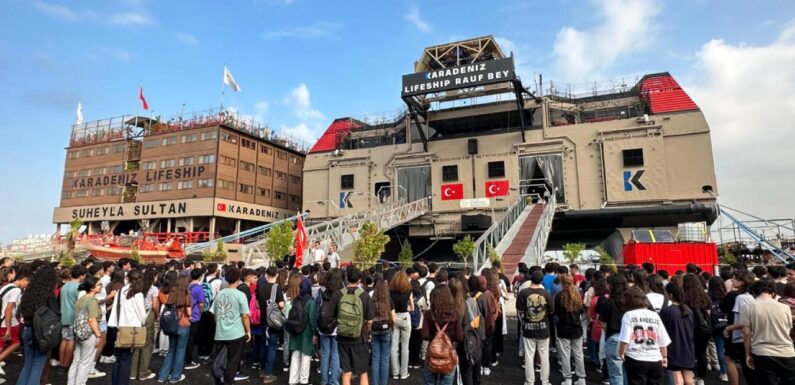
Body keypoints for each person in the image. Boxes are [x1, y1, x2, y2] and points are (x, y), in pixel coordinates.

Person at [741, 280, 795, 384]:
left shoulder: (747, 307)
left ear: (754, 293)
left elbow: (746, 333)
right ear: (773, 292)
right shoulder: (785, 307)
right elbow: (788, 329)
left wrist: (747, 354)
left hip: (762, 352)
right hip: (786, 352)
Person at [617, 287, 671, 385]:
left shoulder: (628, 315)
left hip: (635, 357)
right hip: (655, 358)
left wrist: (621, 353)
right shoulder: (654, 315)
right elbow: (663, 339)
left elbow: (625, 339)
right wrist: (664, 356)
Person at [17, 267, 59, 385]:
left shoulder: (28, 293)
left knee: (27, 365)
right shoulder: (48, 295)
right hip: (41, 333)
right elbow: (56, 314)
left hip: (27, 330)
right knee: (37, 366)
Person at [210, 267, 251, 385]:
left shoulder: (219, 294)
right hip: (236, 333)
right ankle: (228, 381)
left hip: (220, 333)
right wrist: (248, 331)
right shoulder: (240, 295)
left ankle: (219, 381)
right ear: (239, 278)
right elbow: (245, 315)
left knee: (219, 360)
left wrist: (219, 325)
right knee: (232, 361)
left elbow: (215, 314)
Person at [108, 269, 146, 385]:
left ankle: (115, 382)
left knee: (118, 359)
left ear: (127, 278)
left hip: (119, 327)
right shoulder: (138, 294)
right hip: (131, 330)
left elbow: (115, 310)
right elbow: (142, 315)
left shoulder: (120, 291)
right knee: (126, 360)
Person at [337, 267, 375, 385]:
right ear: (359, 280)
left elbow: (330, 316)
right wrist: (367, 332)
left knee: (346, 371)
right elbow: (370, 320)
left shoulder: (339, 294)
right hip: (360, 337)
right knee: (363, 372)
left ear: (346, 278)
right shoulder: (364, 296)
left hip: (343, 337)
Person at [421, 285, 463, 385]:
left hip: (432, 355)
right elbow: (460, 337)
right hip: (448, 356)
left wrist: (435, 336)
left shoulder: (429, 314)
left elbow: (424, 335)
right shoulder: (454, 314)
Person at [516, 270, 551, 385]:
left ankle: (530, 381)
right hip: (543, 329)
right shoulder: (546, 293)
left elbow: (520, 310)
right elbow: (550, 310)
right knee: (544, 356)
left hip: (528, 328)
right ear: (541, 280)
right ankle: (545, 381)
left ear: (531, 279)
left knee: (529, 356)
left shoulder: (524, 293)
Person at [721, 270, 757, 385]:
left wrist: (728, 328)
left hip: (739, 336)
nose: (732, 280)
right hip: (750, 335)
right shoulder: (751, 296)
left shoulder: (740, 298)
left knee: (732, 360)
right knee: (749, 368)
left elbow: (741, 322)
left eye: (735, 278)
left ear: (742, 282)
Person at [67, 276, 102, 385]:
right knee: (85, 362)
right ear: (92, 288)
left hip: (78, 332)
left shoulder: (81, 299)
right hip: (89, 333)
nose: (101, 286)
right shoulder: (92, 301)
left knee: (76, 361)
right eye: (99, 284)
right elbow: (92, 320)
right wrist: (99, 335)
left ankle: (71, 383)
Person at [157, 276, 192, 383]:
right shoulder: (186, 294)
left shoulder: (171, 294)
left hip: (172, 324)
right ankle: (175, 376)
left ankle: (162, 375)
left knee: (171, 350)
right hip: (183, 324)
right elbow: (189, 313)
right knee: (180, 351)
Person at [660, 283, 695, 385]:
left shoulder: (666, 311)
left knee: (677, 377)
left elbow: (663, 332)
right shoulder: (689, 310)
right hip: (688, 347)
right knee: (688, 378)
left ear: (670, 295)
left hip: (674, 348)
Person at [555, 274, 587, 385]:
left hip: (563, 328)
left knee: (565, 355)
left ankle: (567, 379)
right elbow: (582, 312)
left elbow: (557, 313)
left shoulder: (559, 296)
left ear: (562, 283)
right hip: (576, 328)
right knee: (578, 354)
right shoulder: (578, 295)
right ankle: (581, 378)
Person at [257, 266, 285, 384]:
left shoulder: (261, 287)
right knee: (272, 346)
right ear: (277, 275)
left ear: (266, 275)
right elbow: (282, 304)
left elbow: (258, 305)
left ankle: (262, 369)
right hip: (273, 321)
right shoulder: (277, 287)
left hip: (263, 319)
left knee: (264, 344)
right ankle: (268, 373)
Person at [598, 274, 629, 385]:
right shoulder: (630, 301)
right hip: (630, 339)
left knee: (616, 374)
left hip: (613, 337)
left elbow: (602, 323)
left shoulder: (607, 302)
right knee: (628, 373)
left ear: (611, 285)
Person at [682, 274, 712, 385]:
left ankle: (690, 376)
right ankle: (701, 377)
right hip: (704, 329)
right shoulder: (703, 295)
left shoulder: (684, 296)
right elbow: (709, 311)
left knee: (689, 353)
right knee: (702, 353)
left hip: (690, 328)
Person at [288, 278, 318, 385]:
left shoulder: (295, 299)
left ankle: (292, 380)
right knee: (306, 356)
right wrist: (314, 333)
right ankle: (304, 380)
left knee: (295, 355)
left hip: (295, 330)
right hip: (306, 332)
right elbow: (312, 319)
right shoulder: (311, 301)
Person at [131, 268, 158, 380]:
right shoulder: (154, 289)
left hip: (137, 316)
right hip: (148, 316)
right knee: (147, 344)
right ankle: (143, 372)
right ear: (154, 277)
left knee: (137, 343)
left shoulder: (138, 287)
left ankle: (132, 372)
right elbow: (154, 306)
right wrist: (157, 315)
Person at [0, 267, 29, 373]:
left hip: (3, 320)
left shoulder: (7, 286)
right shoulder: (16, 290)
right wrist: (8, 328)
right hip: (9, 322)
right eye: (27, 283)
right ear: (24, 280)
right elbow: (9, 309)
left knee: (2, 344)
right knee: (16, 343)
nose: (27, 286)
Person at [59, 265, 86, 374]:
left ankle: (62, 363)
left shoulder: (64, 286)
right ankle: (65, 365)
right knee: (70, 341)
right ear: (81, 276)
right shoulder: (79, 287)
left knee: (64, 340)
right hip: (73, 317)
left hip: (63, 315)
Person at [317, 269, 342, 385]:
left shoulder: (322, 291)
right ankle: (334, 382)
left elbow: (318, 310)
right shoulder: (341, 293)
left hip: (323, 327)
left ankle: (324, 381)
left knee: (325, 355)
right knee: (335, 355)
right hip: (336, 327)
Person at [389, 271, 413, 380]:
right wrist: (408, 307)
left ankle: (395, 372)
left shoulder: (390, 291)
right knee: (405, 347)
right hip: (405, 318)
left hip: (394, 317)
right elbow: (412, 308)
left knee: (394, 347)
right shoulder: (408, 291)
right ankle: (404, 373)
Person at [370, 279, 394, 385]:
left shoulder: (371, 301)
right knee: (385, 359)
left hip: (374, 331)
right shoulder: (389, 301)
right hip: (386, 331)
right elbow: (393, 318)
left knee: (375, 359)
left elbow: (369, 319)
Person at [707, 276, 729, 382]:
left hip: (716, 326)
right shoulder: (727, 295)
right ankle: (732, 370)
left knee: (719, 349)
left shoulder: (708, 296)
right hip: (728, 325)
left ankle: (724, 372)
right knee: (729, 350)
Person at [184, 269, 205, 370]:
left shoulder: (186, 286)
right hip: (195, 315)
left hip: (185, 315)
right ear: (200, 276)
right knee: (191, 340)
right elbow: (201, 303)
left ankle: (183, 358)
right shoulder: (199, 288)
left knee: (185, 338)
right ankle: (188, 360)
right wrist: (200, 313)